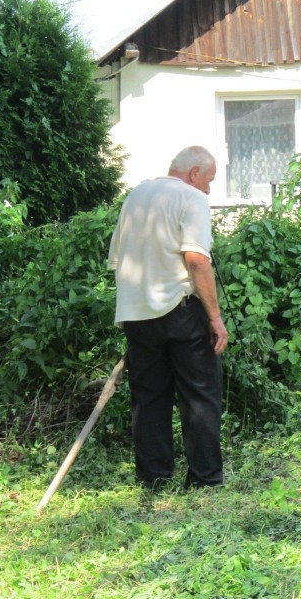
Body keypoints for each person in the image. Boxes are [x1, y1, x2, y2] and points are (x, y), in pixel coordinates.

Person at [108, 145, 228, 490]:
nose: (208, 188)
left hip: (136, 311)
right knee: (199, 393)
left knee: (148, 396)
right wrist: (215, 318)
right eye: (208, 180)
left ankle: (154, 478)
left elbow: (118, 260)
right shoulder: (192, 198)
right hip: (180, 307)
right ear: (194, 173)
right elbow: (196, 260)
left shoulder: (136, 195)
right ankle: (205, 480)